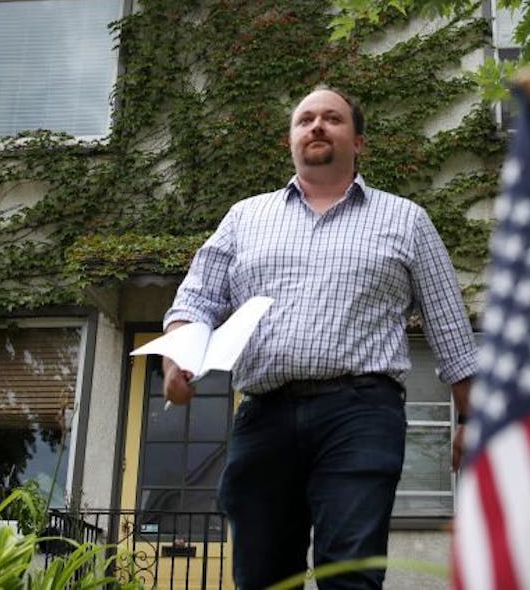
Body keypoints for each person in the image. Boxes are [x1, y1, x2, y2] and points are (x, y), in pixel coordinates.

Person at [162, 86, 476, 590]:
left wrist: (475, 416)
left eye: (332, 118)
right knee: (263, 576)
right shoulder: (245, 218)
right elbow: (194, 300)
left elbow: (450, 328)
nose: (316, 126)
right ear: (290, 138)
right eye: (305, 119)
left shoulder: (406, 219)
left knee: (349, 573)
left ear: (358, 141)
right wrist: (176, 357)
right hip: (264, 415)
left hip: (362, 414)